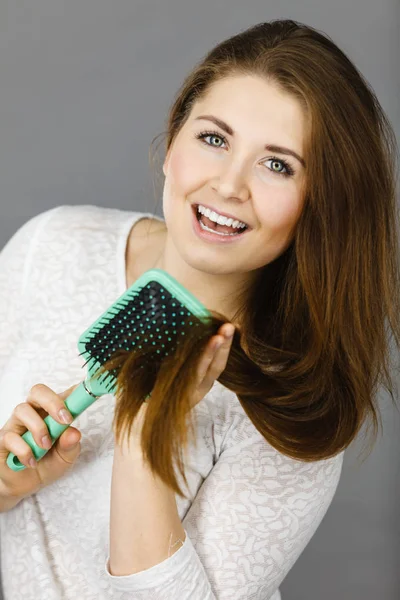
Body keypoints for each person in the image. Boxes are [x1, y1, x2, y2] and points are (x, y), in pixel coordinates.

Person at [0, 18, 399, 600]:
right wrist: (9, 486)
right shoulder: (54, 245)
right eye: (214, 139)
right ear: (172, 144)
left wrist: (144, 436)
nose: (229, 185)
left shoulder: (292, 409)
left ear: (321, 207)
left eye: (278, 164)